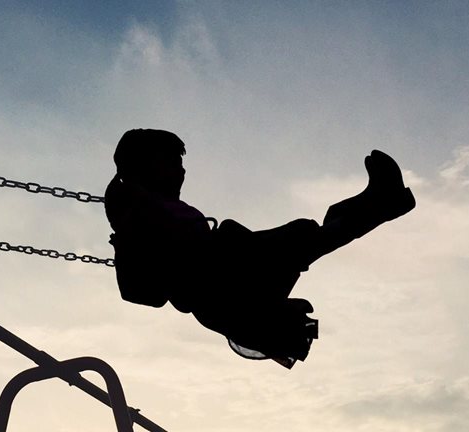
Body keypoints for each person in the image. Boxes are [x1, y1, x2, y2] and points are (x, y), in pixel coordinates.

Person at [104, 129, 416, 368]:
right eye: (172, 163)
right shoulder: (135, 204)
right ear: (143, 166)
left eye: (181, 164)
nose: (181, 171)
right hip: (226, 284)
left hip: (230, 277)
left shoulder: (146, 204)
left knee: (306, 234)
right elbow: (149, 286)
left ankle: (378, 201)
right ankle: (384, 203)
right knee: (303, 236)